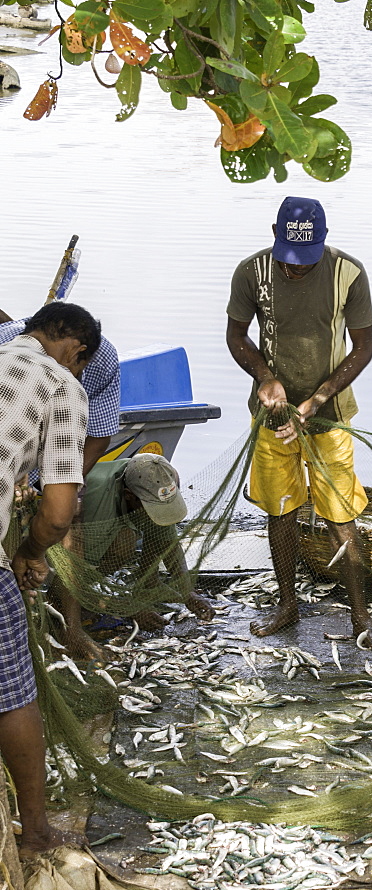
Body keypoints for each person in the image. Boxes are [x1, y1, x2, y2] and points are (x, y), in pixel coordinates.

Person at [226, 196, 372, 650]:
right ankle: (287, 604)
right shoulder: (251, 272)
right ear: (274, 234)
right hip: (273, 414)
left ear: (324, 242)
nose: (295, 270)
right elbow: (236, 336)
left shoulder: (348, 274)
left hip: (329, 415)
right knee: (280, 507)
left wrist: (319, 398)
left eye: (305, 262)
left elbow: (363, 348)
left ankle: (360, 613)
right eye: (289, 262)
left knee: (341, 513)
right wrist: (266, 378)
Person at [0, 301, 100, 855]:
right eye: (80, 363)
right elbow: (60, 513)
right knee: (13, 693)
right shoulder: (64, 385)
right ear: (74, 349)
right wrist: (29, 551)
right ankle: (35, 833)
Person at [59, 454, 214, 658]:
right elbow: (69, 568)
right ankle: (69, 608)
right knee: (117, 545)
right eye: (151, 507)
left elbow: (168, 543)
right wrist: (128, 609)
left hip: (92, 539)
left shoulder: (156, 477)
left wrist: (188, 593)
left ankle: (143, 584)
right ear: (128, 496)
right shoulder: (94, 499)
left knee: (129, 539)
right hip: (53, 547)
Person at [0, 310, 120, 475]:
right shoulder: (5, 344)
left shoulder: (101, 360)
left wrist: (62, 484)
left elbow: (99, 436)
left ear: (76, 353)